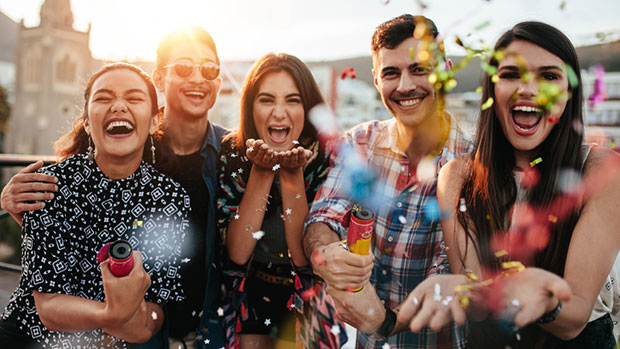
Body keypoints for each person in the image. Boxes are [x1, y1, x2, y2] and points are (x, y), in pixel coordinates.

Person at [1, 26, 228, 348]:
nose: (119, 106)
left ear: (152, 120)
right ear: (87, 122)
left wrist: (123, 316)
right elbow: (48, 307)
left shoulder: (171, 195)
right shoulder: (51, 184)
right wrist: (114, 313)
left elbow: (151, 318)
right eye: (104, 98)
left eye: (134, 98)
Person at [399, 21, 620, 348]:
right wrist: (458, 289)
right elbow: (472, 292)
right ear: (492, 89)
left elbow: (574, 316)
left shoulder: (601, 170)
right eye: (511, 75)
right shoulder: (458, 176)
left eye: (548, 76)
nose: (527, 89)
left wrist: (544, 299)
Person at [302, 14, 473, 348]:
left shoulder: (475, 158)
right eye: (391, 73)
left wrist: (385, 323)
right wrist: (325, 254)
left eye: (419, 69)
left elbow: (455, 271)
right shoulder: (360, 142)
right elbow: (325, 214)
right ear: (377, 80)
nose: (405, 86)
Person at [216, 53, 344, 348]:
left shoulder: (328, 156)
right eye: (266, 100)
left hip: (310, 294)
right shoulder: (233, 152)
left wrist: (291, 173)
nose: (279, 112)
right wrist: (261, 170)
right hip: (249, 290)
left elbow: (303, 260)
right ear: (250, 107)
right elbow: (236, 252)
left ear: (308, 107)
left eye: (292, 100)